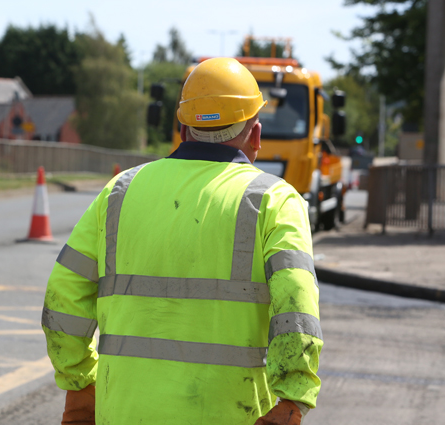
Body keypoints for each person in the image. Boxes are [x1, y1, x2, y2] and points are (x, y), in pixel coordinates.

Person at [41, 57, 322, 425]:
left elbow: (63, 298)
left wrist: (79, 383)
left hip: (123, 413)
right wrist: (292, 398)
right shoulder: (274, 200)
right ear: (255, 135)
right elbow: (296, 307)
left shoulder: (119, 192)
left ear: (182, 129)